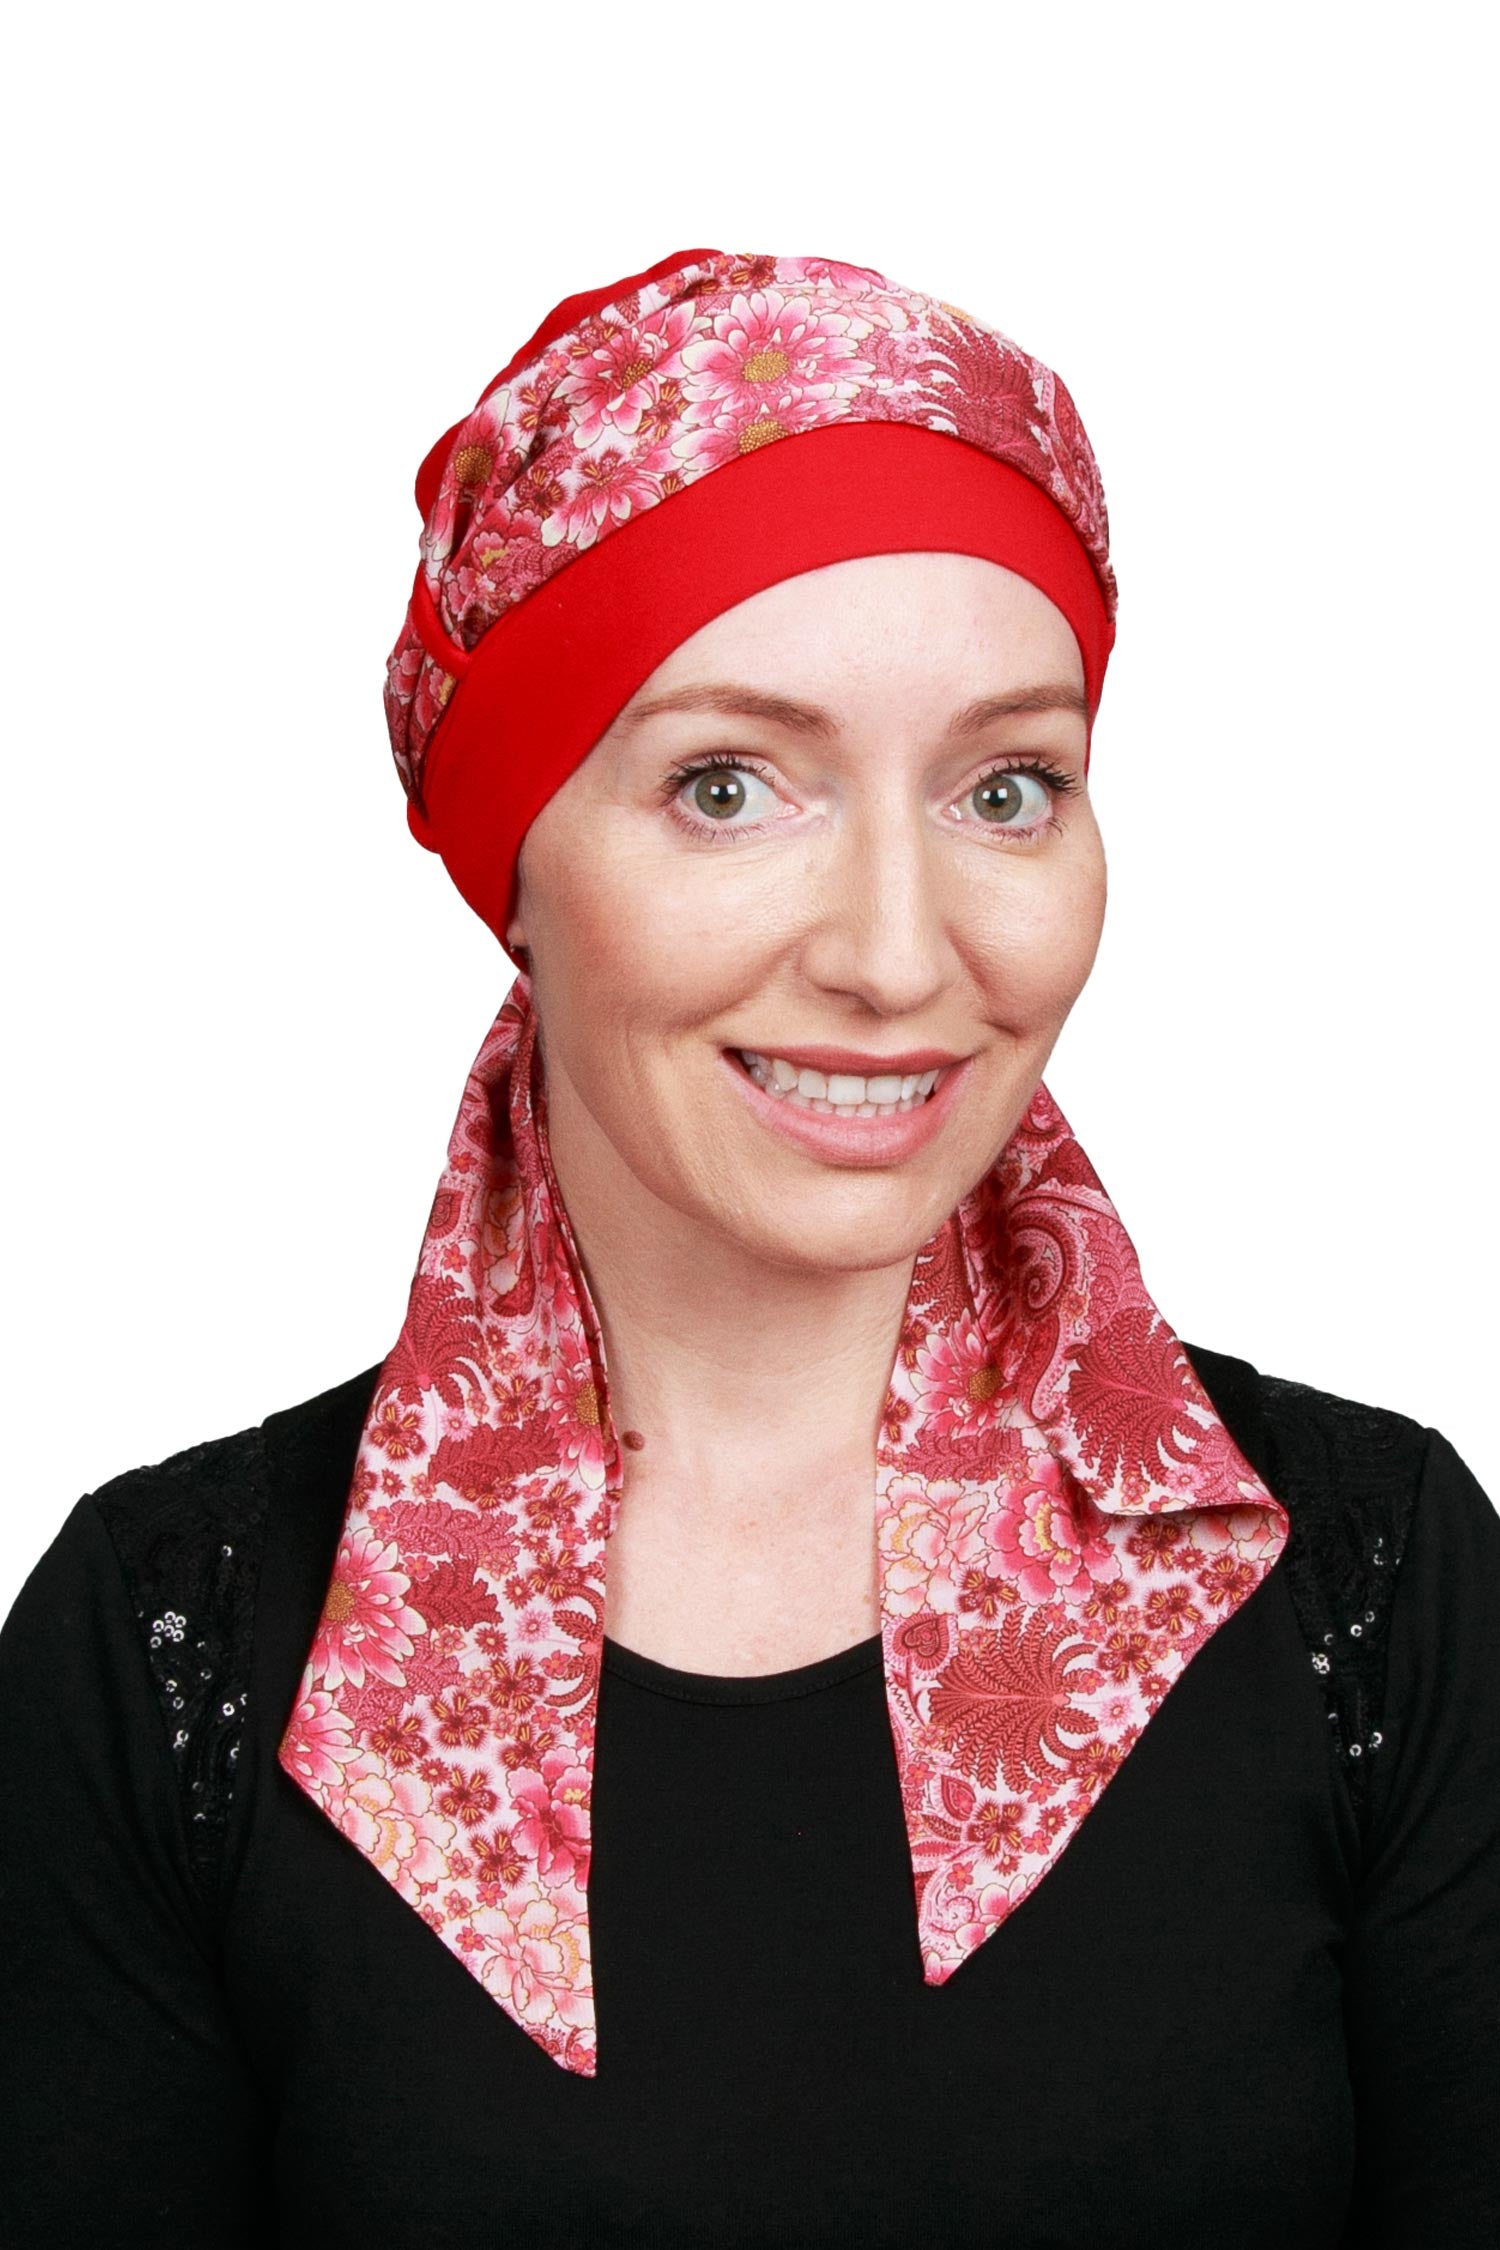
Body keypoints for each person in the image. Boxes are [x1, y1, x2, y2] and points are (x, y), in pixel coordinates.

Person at [2, 247, 1496, 2249]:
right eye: (729, 786)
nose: (896, 950)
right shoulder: (167, 1651)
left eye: (1006, 788)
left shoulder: (1372, 1588)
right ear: (513, 859)